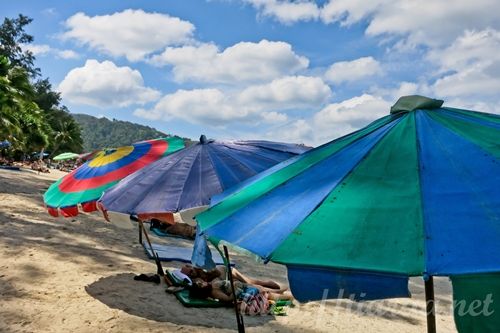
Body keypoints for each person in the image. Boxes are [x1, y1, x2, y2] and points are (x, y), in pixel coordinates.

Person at [180, 263, 286, 291]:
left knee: (250, 282)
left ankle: (269, 284)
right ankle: (269, 287)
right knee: (247, 285)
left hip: (227, 272)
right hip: (224, 279)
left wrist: (207, 275)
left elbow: (216, 273)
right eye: (189, 274)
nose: (191, 274)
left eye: (191, 271)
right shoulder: (195, 279)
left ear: (192, 267)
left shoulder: (202, 268)